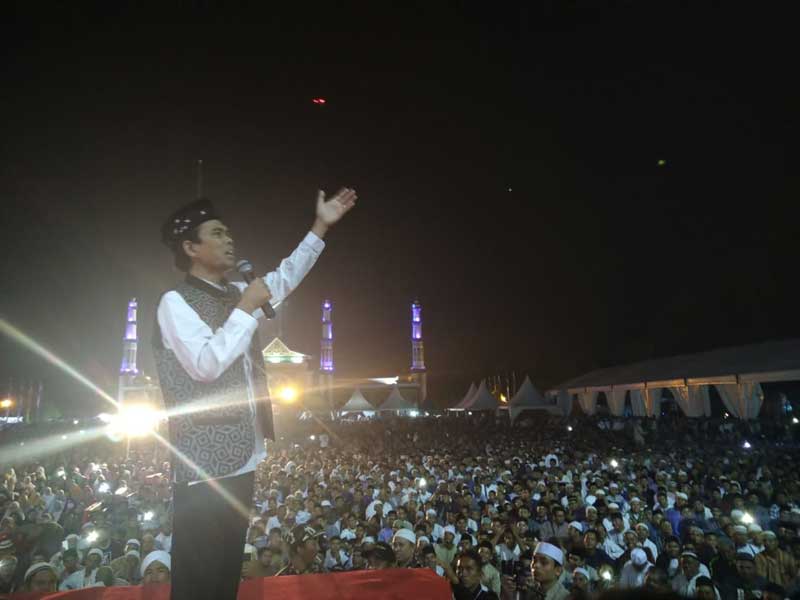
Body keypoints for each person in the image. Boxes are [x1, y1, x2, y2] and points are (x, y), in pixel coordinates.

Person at [155, 189, 356, 600]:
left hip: (243, 456)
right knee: (199, 579)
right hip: (203, 465)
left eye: (229, 232)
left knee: (226, 574)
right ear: (191, 247)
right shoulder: (175, 302)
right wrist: (246, 308)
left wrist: (319, 227)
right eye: (217, 233)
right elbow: (206, 366)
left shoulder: (235, 293)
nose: (230, 239)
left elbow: (283, 278)